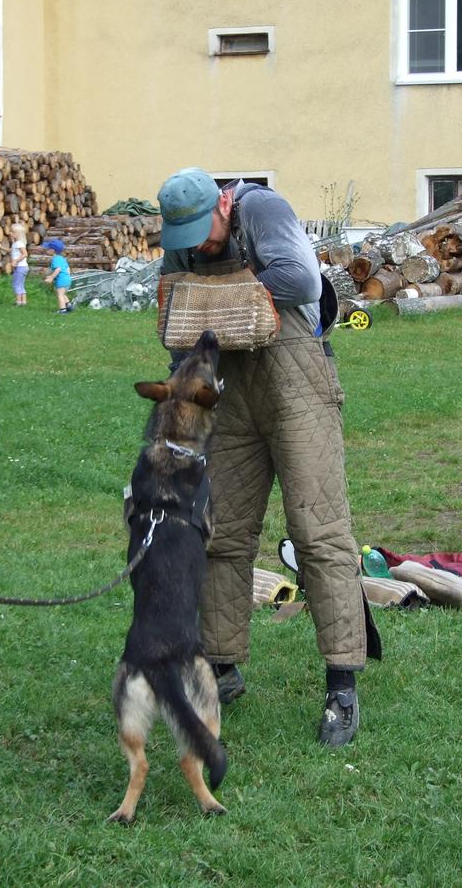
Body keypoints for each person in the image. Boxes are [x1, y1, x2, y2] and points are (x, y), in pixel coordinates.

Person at [156, 168, 380, 747]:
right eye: (182, 240)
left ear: (221, 205)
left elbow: (299, 280)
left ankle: (341, 684)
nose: (196, 248)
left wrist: (211, 301)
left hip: (296, 385)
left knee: (318, 530)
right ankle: (222, 668)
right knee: (221, 532)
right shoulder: (183, 243)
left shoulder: (261, 211)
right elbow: (174, 317)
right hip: (229, 392)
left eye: (201, 234)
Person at [41, 238, 74, 313]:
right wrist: (67, 277)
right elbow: (67, 268)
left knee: (60, 295)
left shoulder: (55, 259)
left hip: (61, 280)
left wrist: (51, 278)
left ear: (52, 250)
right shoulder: (62, 258)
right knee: (63, 293)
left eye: (48, 248)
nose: (46, 250)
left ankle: (62, 310)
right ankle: (69, 306)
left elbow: (58, 269)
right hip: (67, 279)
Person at [9, 222, 30, 306]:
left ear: (18, 234)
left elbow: (25, 254)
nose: (10, 233)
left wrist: (16, 261)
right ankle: (23, 302)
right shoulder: (15, 243)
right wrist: (1, 248)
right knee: (21, 285)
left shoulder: (19, 243)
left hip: (20, 267)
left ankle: (18, 302)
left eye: (12, 232)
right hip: (22, 267)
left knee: (16, 284)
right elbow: (11, 250)